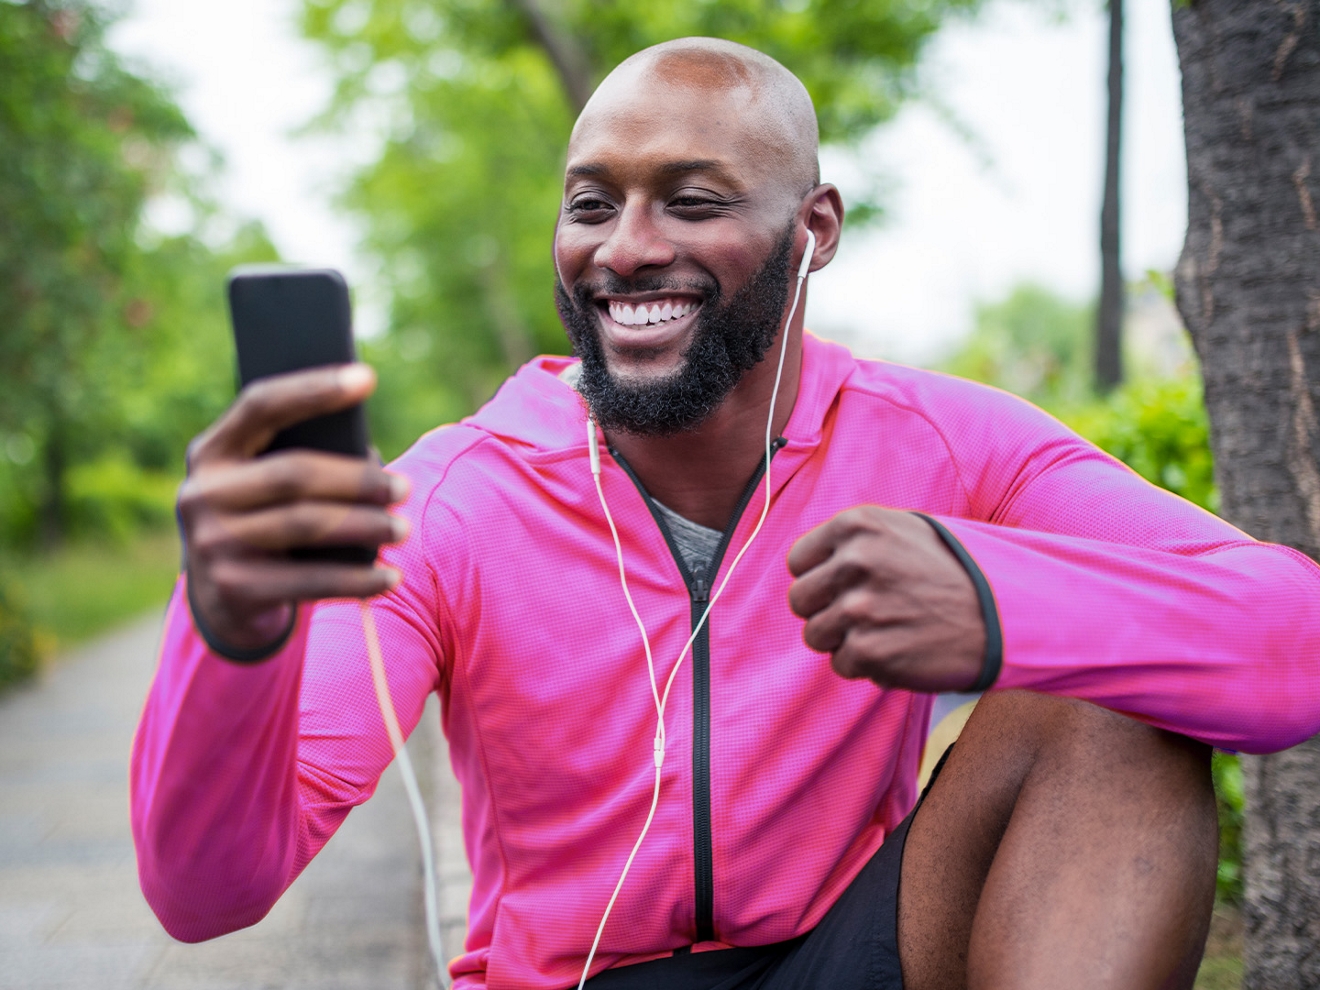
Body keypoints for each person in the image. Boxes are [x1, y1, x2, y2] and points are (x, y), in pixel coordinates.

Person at [131, 37, 1320, 990]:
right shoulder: (453, 502)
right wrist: (231, 638)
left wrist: (1008, 610)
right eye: (593, 205)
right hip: (584, 978)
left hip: (858, 948)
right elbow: (207, 897)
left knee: (1109, 702)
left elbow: (1296, 642)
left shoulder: (940, 443)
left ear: (814, 232)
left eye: (691, 202)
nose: (627, 251)